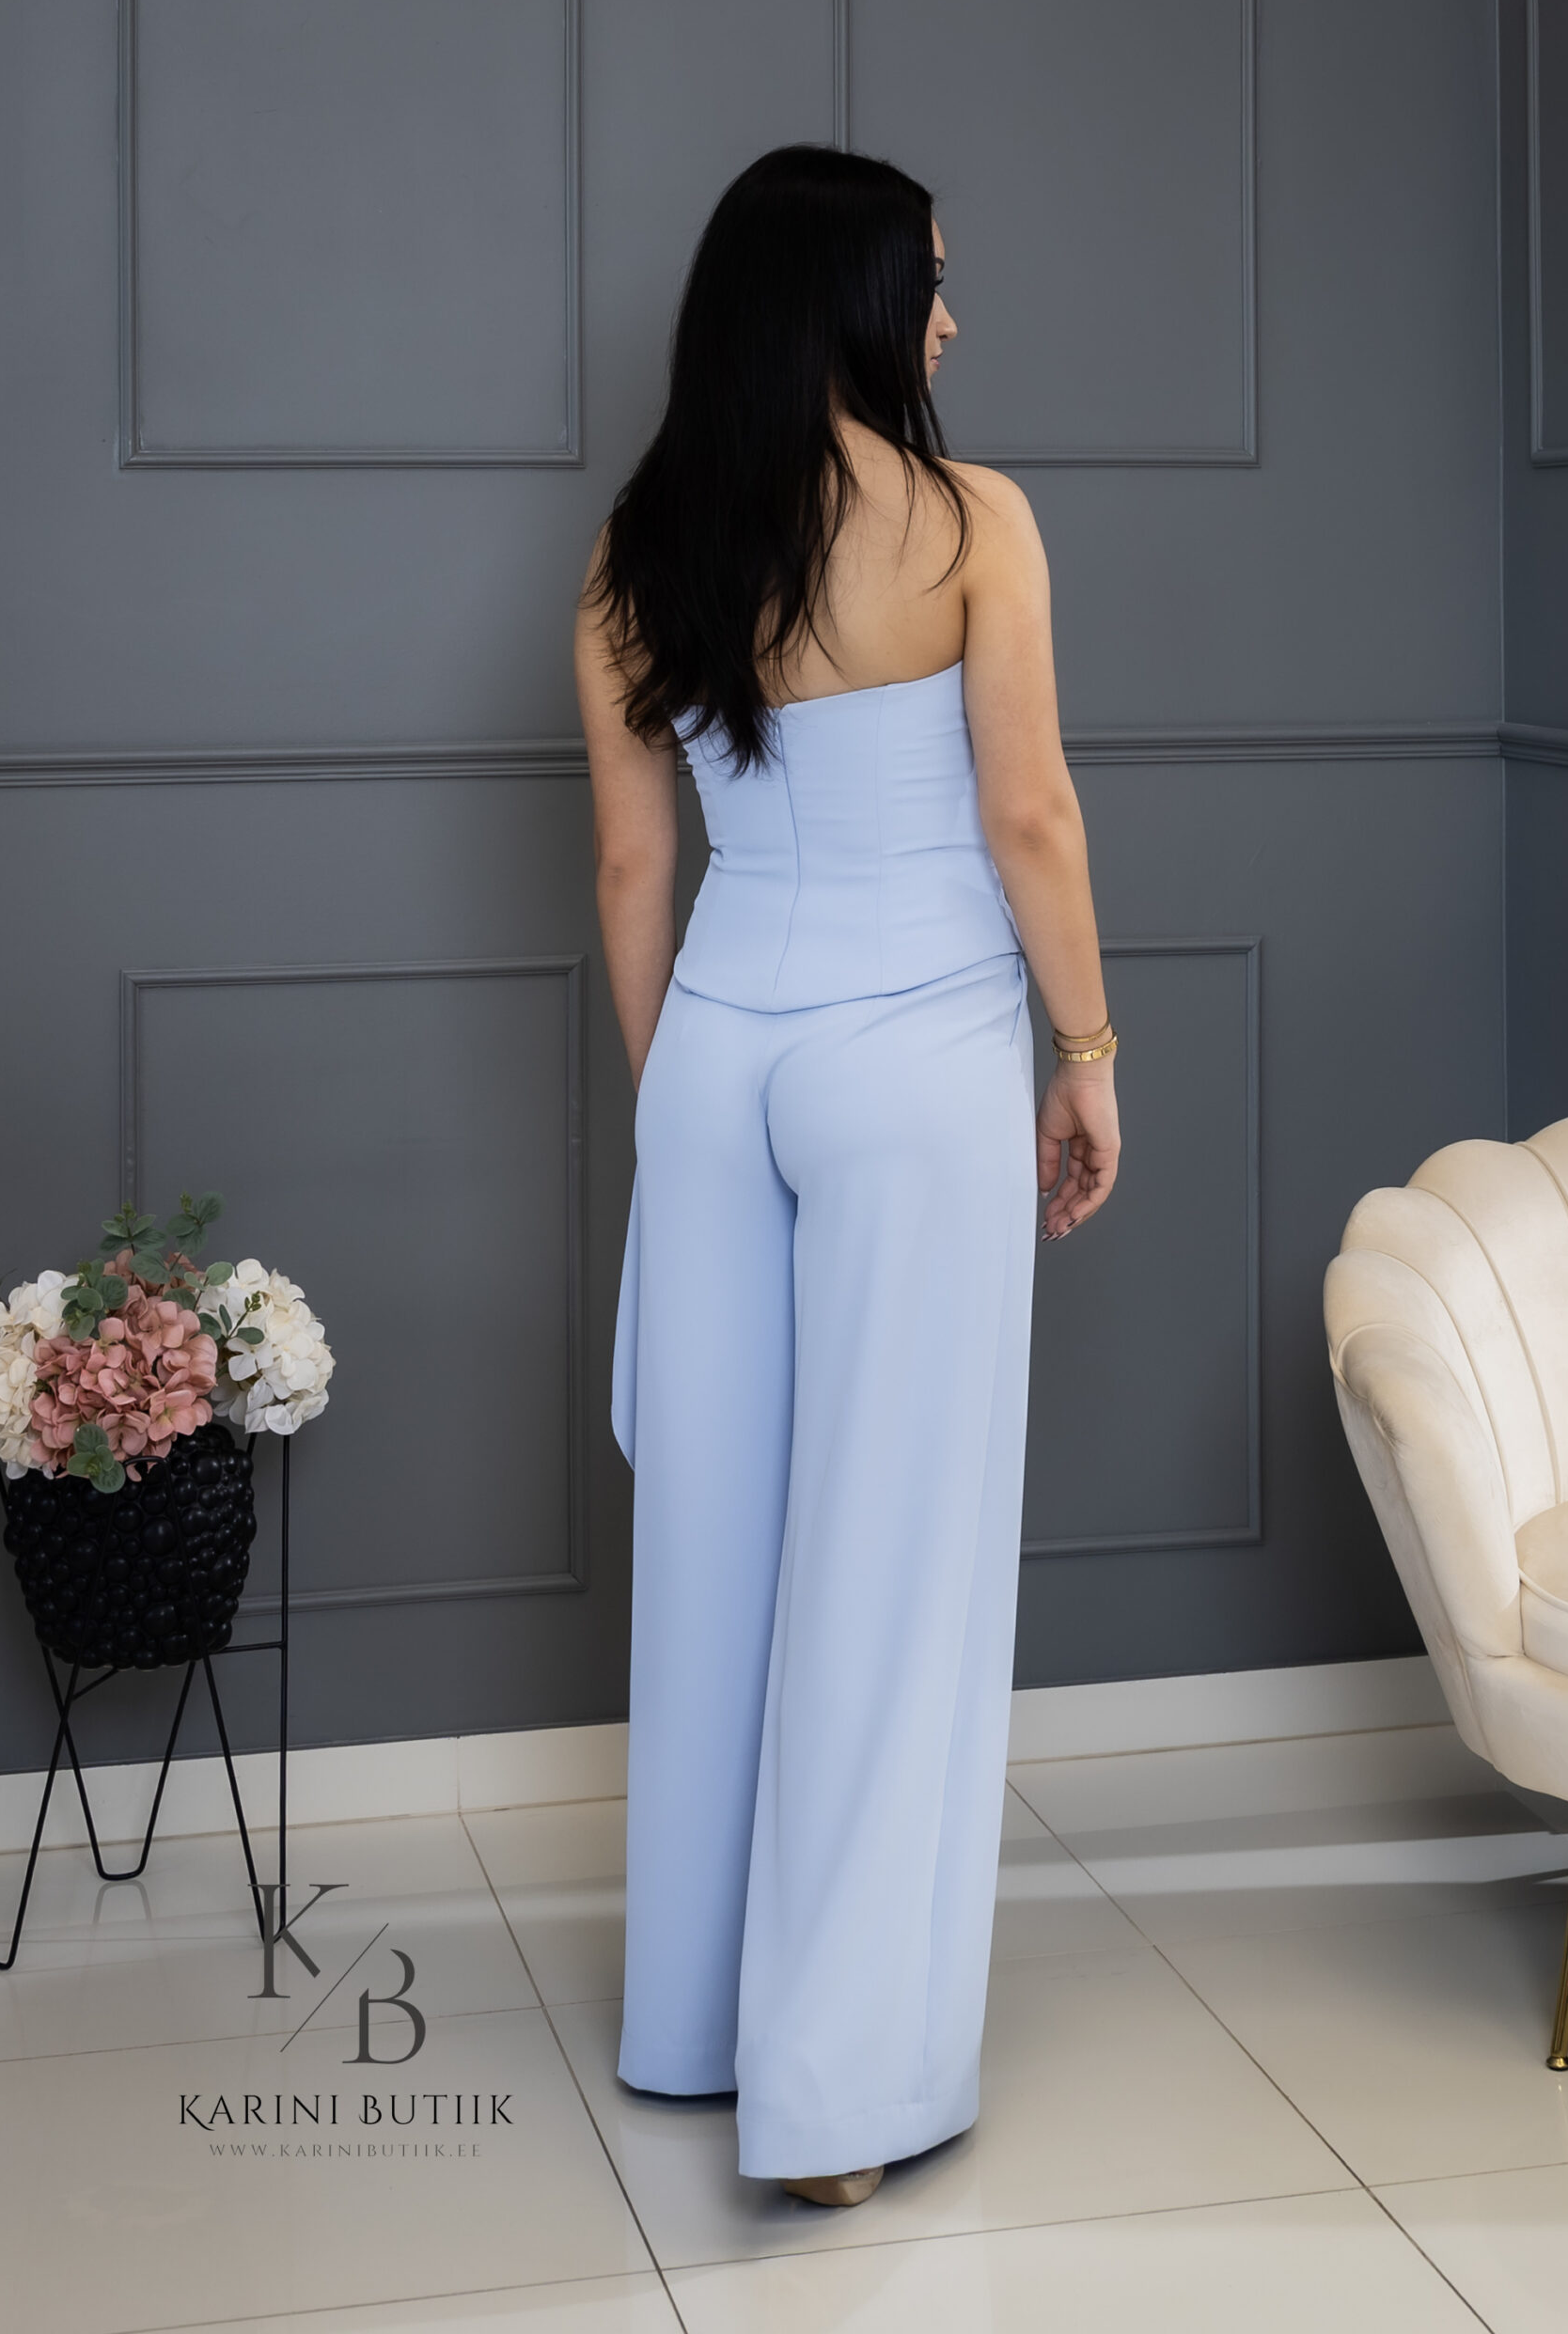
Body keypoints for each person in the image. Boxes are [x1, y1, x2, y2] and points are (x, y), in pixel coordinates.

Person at [574, 143, 1120, 2209]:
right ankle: (830, 2103)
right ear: (847, 302)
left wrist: (686, 1103)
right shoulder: (972, 522)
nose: (951, 320)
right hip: (915, 1060)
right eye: (931, 282)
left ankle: (697, 2031)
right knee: (886, 1566)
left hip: (720, 1056)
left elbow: (633, 865)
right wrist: (1087, 1054)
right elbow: (1030, 815)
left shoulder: (640, 547)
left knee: (715, 1554)